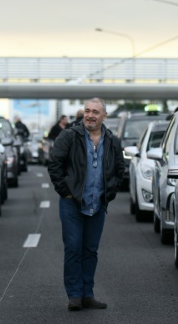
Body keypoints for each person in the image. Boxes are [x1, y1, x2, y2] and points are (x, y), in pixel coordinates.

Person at [47, 97, 125, 311]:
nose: (90, 115)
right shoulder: (69, 136)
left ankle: (87, 294)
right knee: (73, 248)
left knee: (90, 250)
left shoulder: (111, 140)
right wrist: (65, 192)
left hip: (97, 204)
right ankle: (74, 295)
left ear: (104, 116)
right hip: (72, 204)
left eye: (95, 112)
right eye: (88, 111)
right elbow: (54, 163)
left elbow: (120, 168)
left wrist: (109, 193)